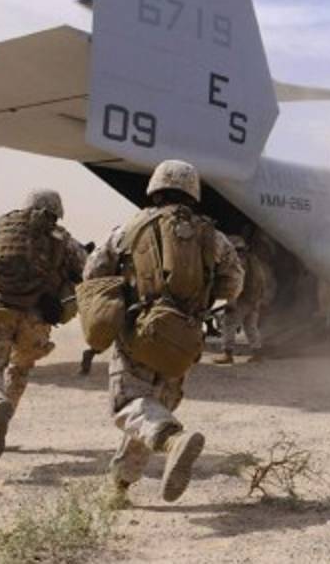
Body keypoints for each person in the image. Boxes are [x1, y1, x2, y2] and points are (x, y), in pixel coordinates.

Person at [84, 160, 243, 505]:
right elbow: (233, 284)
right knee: (152, 411)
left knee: (129, 406)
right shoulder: (213, 237)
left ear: (155, 188)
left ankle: (174, 441)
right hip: (185, 338)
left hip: (138, 332)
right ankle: (120, 486)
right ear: (193, 192)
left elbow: (93, 272)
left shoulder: (128, 228)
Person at [0, 189, 87, 462]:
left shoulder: (5, 232)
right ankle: (5, 416)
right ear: (56, 211)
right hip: (36, 319)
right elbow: (87, 270)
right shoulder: (63, 239)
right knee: (20, 369)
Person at [212, 233, 270, 365]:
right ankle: (257, 353)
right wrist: (259, 300)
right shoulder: (253, 260)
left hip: (241, 300)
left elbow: (237, 283)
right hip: (253, 299)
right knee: (250, 327)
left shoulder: (239, 262)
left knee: (229, 324)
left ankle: (227, 354)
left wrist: (231, 302)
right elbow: (262, 281)